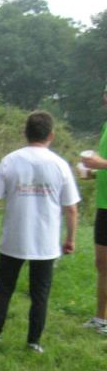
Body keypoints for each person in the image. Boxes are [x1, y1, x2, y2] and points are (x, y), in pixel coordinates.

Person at [0, 111, 80, 353]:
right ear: (51, 135)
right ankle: (33, 342)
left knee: (4, 288)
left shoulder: (10, 160)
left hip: (14, 238)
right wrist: (70, 239)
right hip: (45, 242)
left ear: (25, 133)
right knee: (40, 294)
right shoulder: (60, 165)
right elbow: (71, 208)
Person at [80, 84, 107, 333]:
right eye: (105, 93)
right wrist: (93, 172)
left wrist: (102, 163)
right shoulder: (106, 126)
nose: (105, 98)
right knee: (102, 264)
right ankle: (101, 320)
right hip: (103, 205)